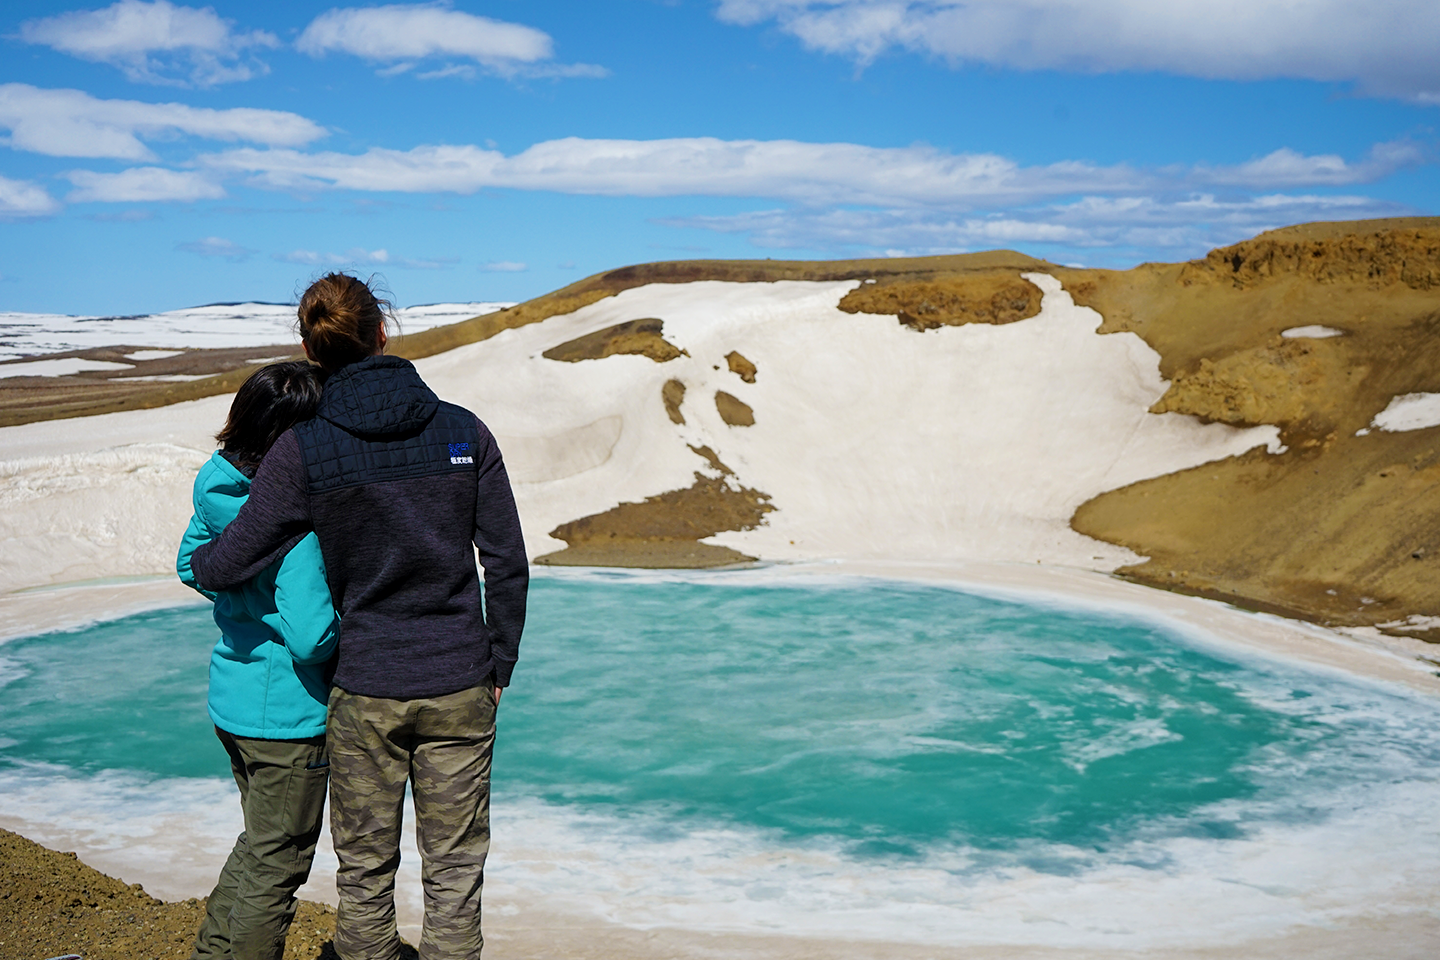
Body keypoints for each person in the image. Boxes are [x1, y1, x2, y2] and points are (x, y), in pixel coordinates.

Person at [189, 273, 528, 960]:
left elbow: (224, 565)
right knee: (456, 873)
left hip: (366, 684)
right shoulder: (464, 430)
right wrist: (500, 662)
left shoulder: (303, 449)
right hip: (461, 678)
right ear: (382, 331)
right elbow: (507, 562)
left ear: (313, 350)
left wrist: (226, 544)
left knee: (367, 876)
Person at [176, 361, 338, 960]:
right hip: (288, 717)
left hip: (232, 699)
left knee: (258, 845)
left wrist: (245, 599)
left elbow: (190, 564)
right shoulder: (294, 527)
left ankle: (212, 952)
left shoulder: (218, 496)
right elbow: (311, 638)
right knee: (279, 864)